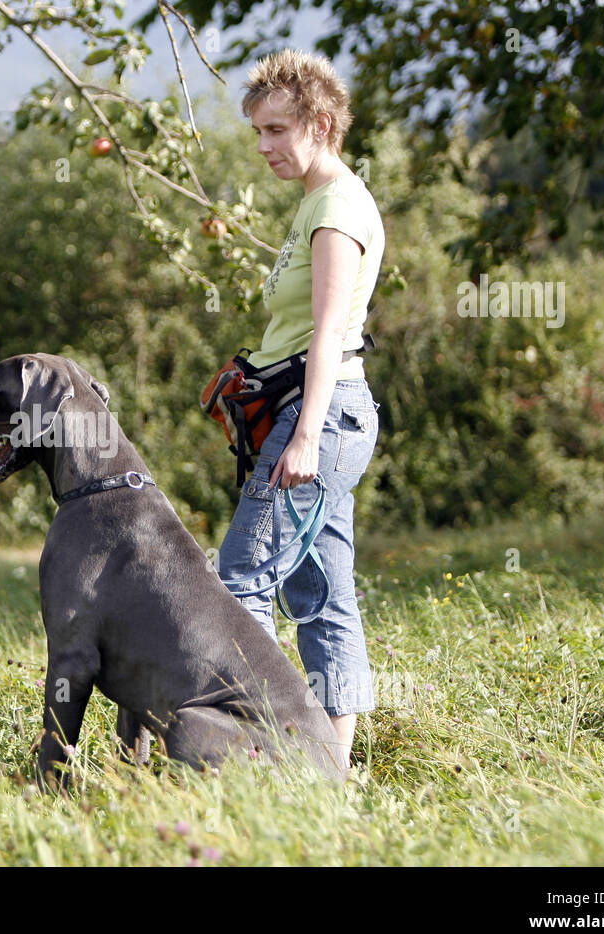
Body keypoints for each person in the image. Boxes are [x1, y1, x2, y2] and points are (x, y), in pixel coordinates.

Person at [216, 49, 384, 771]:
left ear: (320, 123)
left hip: (323, 416)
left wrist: (306, 434)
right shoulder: (320, 202)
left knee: (239, 579)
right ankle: (330, 773)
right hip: (314, 411)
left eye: (277, 130)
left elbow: (328, 332)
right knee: (321, 593)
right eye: (257, 132)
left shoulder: (339, 207)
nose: (264, 148)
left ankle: (272, 752)